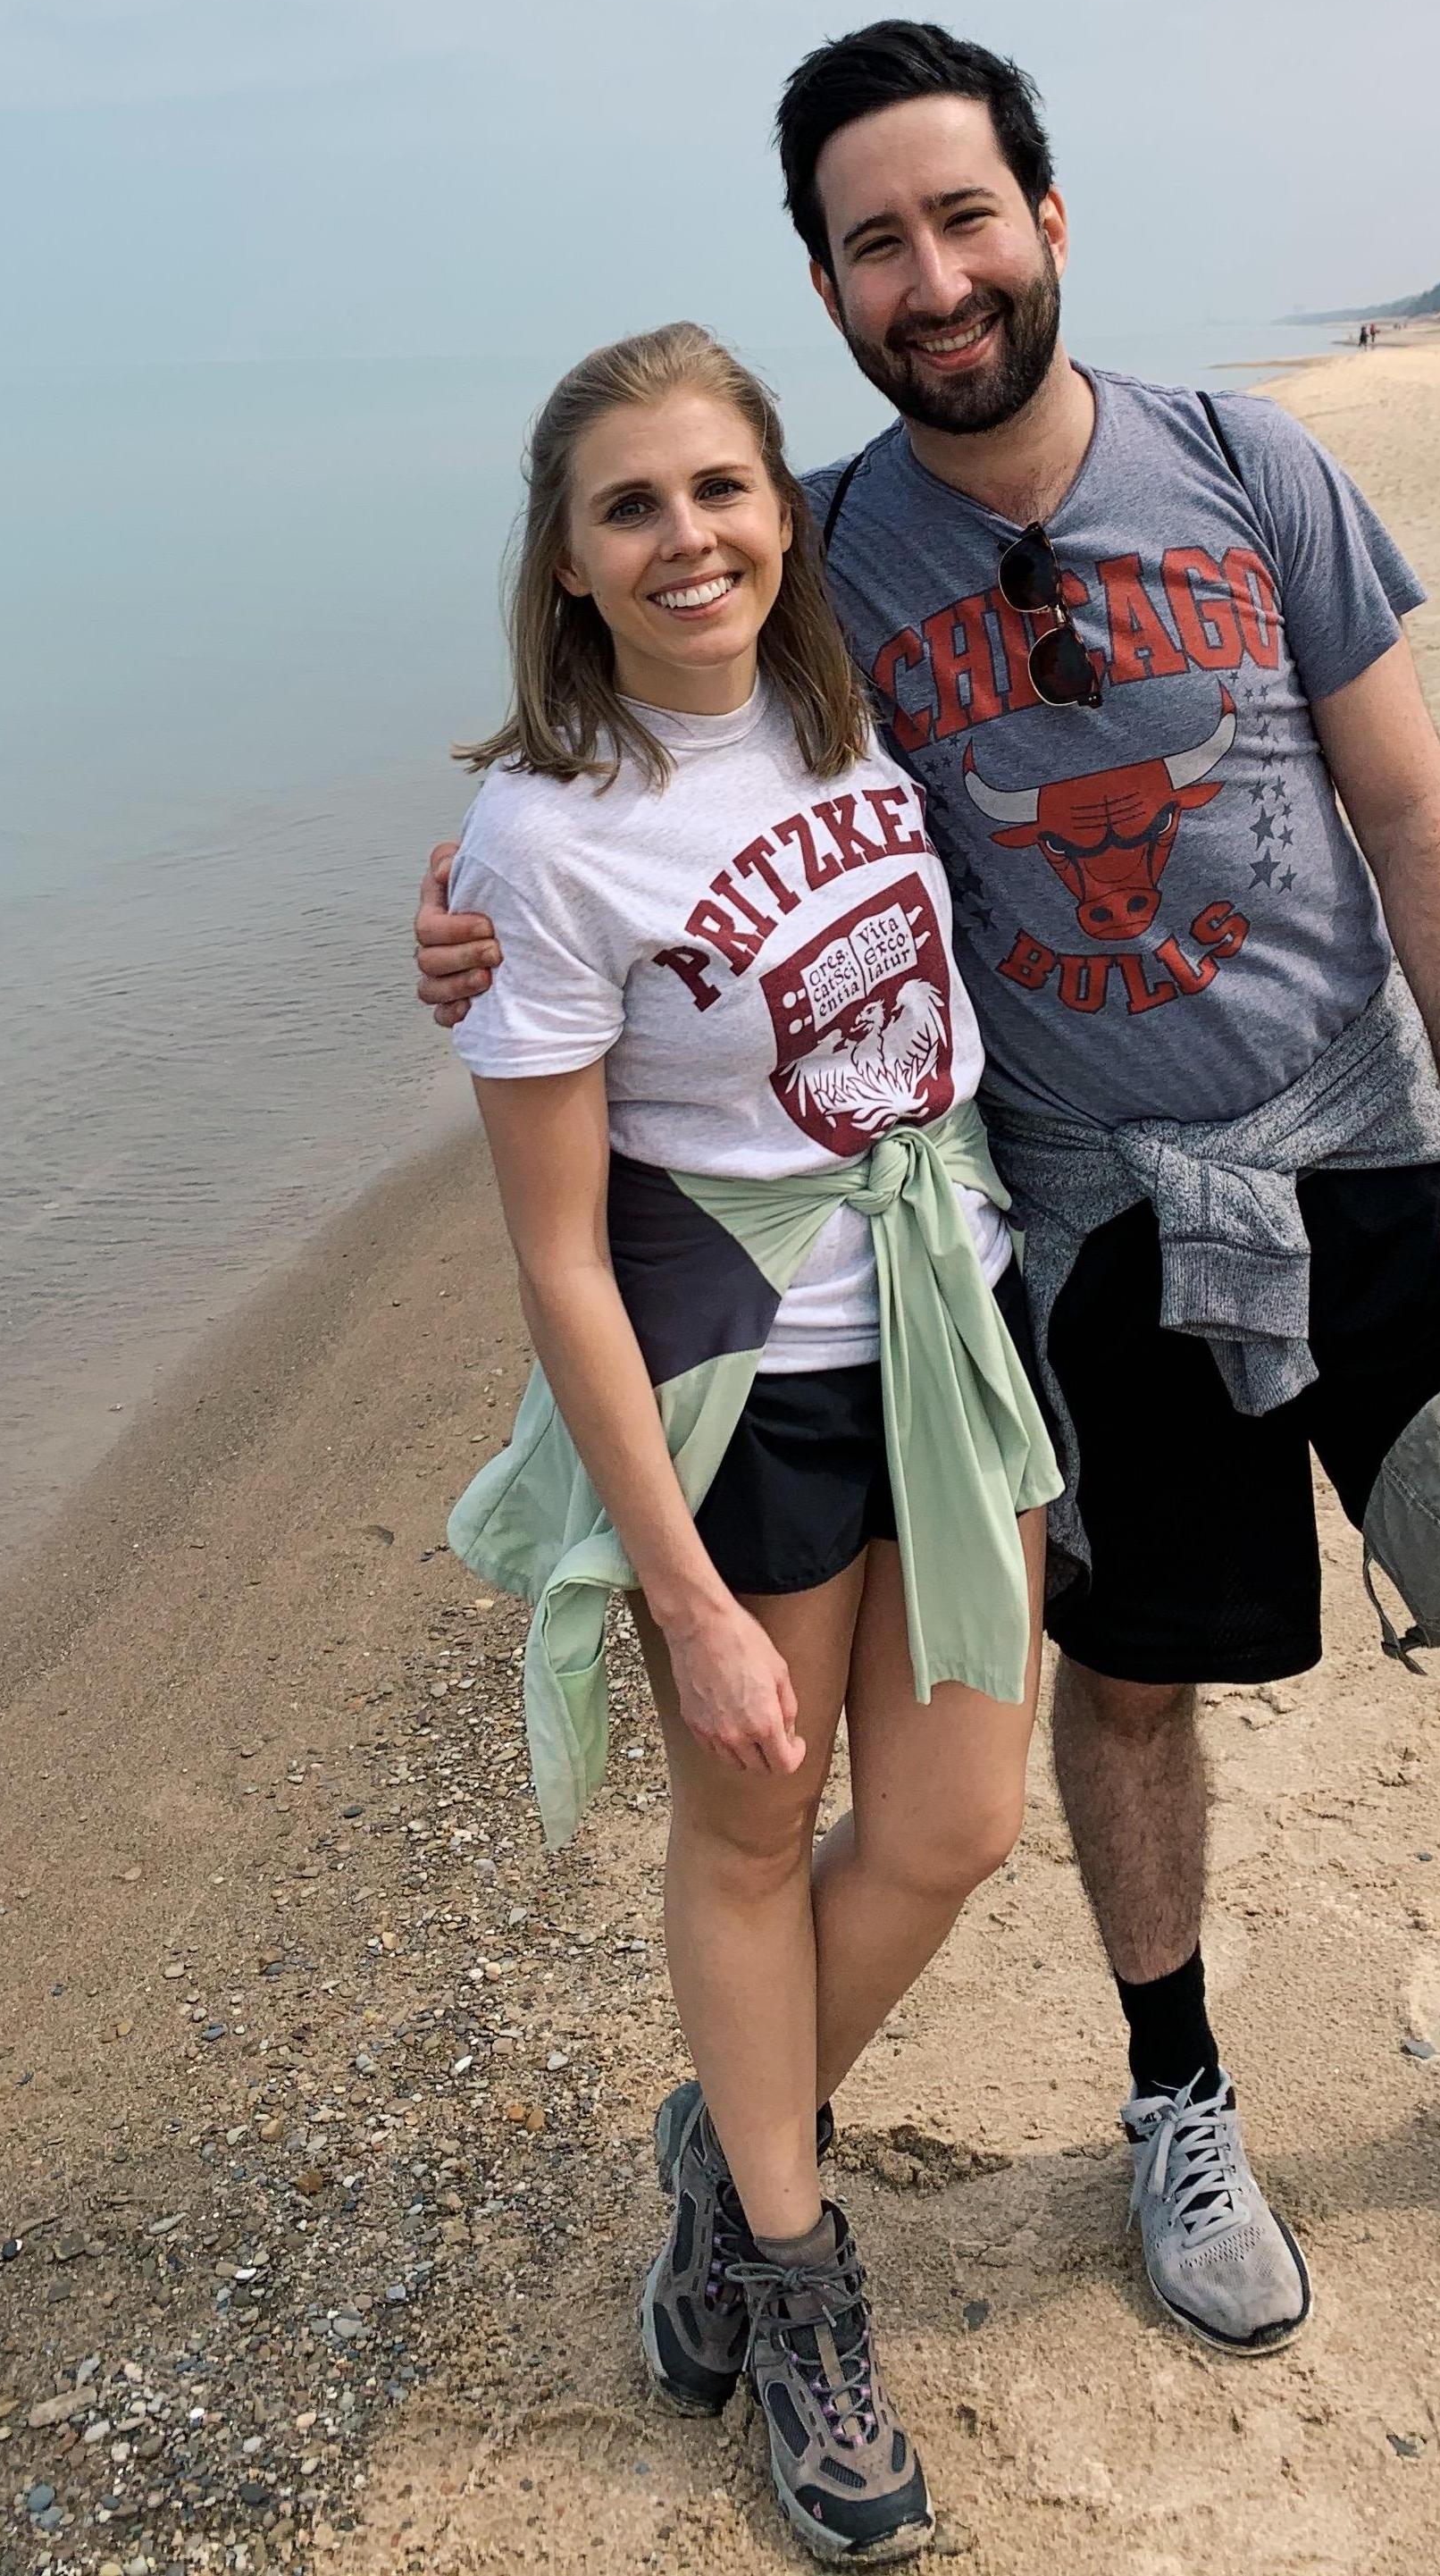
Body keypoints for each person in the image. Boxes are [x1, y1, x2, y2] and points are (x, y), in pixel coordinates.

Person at [420, 25, 1440, 2355]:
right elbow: (651, 762)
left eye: (962, 218)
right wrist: (469, 908)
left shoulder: (1247, 462)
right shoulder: (814, 557)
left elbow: (1414, 814)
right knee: (1127, 1690)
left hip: (1369, 1156)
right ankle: (1174, 2093)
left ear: (1048, 220)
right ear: (823, 286)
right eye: (872, 242)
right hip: (1084, 1213)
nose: (930, 276)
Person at [440, 319, 1059, 2563]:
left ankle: (733, 2138)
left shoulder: (852, 710)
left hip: (951, 1323)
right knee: (750, 1824)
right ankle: (797, 2287)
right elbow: (561, 1258)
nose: (684, 535)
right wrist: (680, 1593)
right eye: (631, 506)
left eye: (717, 489)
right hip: (755, 1389)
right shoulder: (544, 831)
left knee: (964, 1821)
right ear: (572, 560)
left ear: (781, 512)